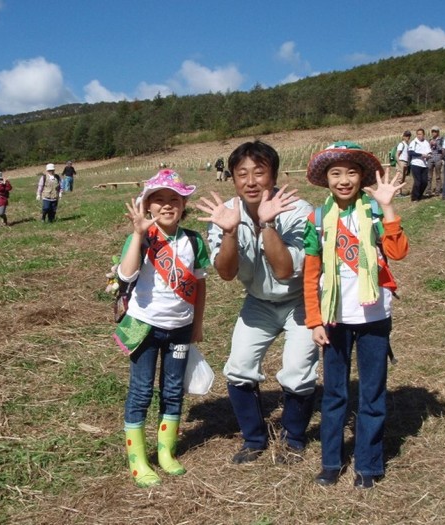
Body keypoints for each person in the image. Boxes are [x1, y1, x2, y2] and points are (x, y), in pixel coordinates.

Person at [196, 140, 318, 464]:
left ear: (273, 176)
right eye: (242, 174)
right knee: (238, 368)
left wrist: (267, 224)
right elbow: (225, 272)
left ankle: (293, 436)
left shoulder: (298, 211)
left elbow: (284, 269)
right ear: (233, 179)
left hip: (300, 300)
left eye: (259, 172)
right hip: (258, 302)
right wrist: (230, 233)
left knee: (297, 370)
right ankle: (253, 438)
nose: (251, 181)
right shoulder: (225, 214)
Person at [302, 141, 409, 489]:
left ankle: (369, 464)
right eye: (336, 173)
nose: (344, 180)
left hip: (375, 316)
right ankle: (331, 462)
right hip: (334, 317)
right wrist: (314, 319)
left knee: (373, 393)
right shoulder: (317, 220)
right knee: (335, 393)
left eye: (351, 172)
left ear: (362, 176)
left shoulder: (375, 213)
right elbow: (311, 273)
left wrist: (388, 207)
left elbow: (398, 251)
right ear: (326, 180)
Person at [113, 169, 209, 488]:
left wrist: (197, 324)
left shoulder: (194, 240)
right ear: (147, 206)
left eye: (174, 200)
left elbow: (199, 285)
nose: (167, 206)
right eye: (159, 200)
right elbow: (126, 276)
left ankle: (166, 452)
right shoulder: (141, 239)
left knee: (172, 390)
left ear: (183, 205)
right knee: (141, 391)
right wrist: (139, 234)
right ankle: (138, 459)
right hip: (144, 328)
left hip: (180, 329)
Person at [408, 128, 432, 201]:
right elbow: (410, 152)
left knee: (424, 182)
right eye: (418, 134)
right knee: (418, 181)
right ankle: (414, 197)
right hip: (416, 164)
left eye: (420, 134)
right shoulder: (414, 142)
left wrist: (429, 155)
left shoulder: (426, 143)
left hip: (424, 164)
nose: (419, 136)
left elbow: (429, 152)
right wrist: (421, 155)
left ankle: (420, 195)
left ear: (423, 135)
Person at [426, 126, 443, 196]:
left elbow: (443, 149)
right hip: (430, 158)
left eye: (435, 131)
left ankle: (437, 191)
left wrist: (437, 144)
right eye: (432, 131)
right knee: (429, 176)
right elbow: (427, 149)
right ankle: (428, 190)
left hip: (438, 158)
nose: (433, 133)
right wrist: (430, 145)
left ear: (438, 132)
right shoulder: (430, 139)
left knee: (438, 176)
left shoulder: (442, 140)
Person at [395, 131, 411, 195]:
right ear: (404, 136)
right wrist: (399, 163)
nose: (408, 137)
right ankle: (397, 193)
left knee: (402, 178)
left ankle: (400, 192)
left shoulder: (407, 145)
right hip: (401, 162)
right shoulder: (401, 144)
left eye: (409, 136)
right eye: (406, 136)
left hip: (405, 162)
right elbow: (397, 154)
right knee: (399, 178)